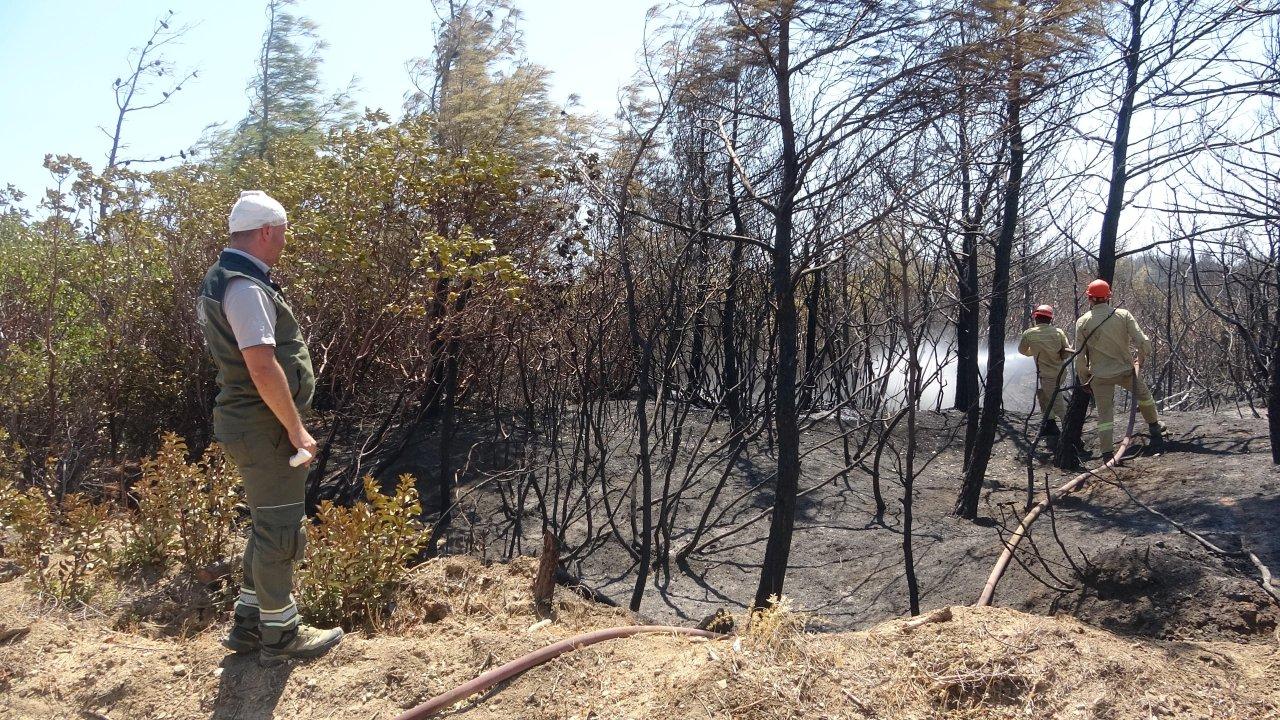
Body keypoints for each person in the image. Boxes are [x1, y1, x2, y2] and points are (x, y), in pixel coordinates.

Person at [196, 190, 343, 666]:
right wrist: (296, 428)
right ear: (265, 233)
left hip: (252, 423)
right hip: (265, 428)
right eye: (281, 235)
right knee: (281, 529)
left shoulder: (228, 279)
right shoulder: (246, 287)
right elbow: (262, 367)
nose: (283, 244)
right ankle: (280, 636)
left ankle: (248, 624)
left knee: (265, 524)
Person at [1073, 279, 1165, 457]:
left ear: (1090, 299)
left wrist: (1084, 379)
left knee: (1105, 415)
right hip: (1126, 371)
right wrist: (1141, 357)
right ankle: (1154, 428)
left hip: (1099, 376)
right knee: (1145, 397)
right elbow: (1143, 341)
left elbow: (1079, 356)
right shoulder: (1123, 315)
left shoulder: (1082, 322)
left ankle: (1107, 453)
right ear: (1109, 297)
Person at [1018, 304, 1071, 437]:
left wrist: (1035, 351)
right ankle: (1050, 424)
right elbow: (1066, 353)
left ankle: (1071, 434)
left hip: (1048, 376)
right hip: (1060, 372)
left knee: (1058, 404)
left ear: (1036, 318)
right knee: (1042, 395)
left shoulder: (1029, 334)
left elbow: (1022, 351)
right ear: (1050, 319)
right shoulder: (1058, 332)